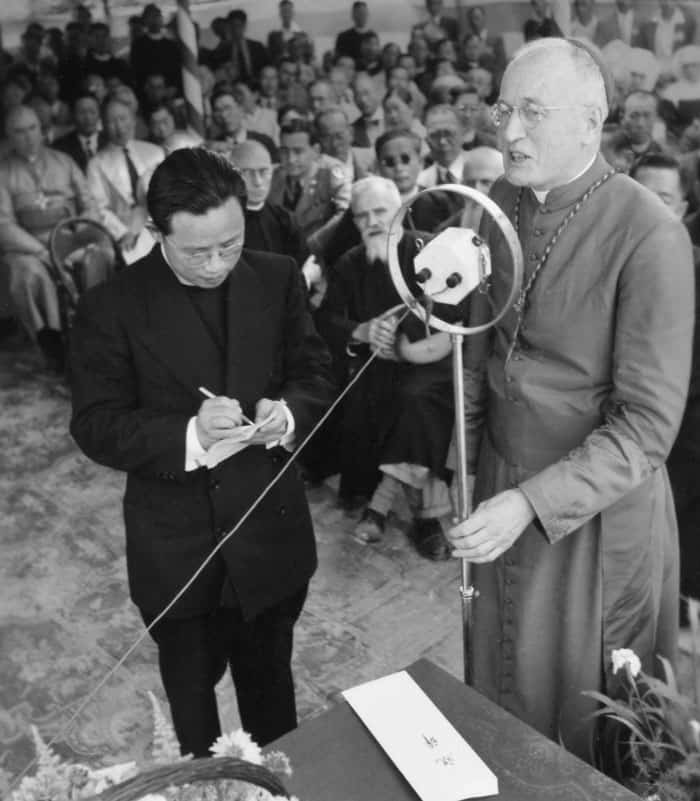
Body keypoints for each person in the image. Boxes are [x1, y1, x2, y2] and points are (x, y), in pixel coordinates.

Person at [446, 37, 694, 765]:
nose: (509, 132)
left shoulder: (650, 233)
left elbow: (647, 427)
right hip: (497, 482)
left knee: (593, 716)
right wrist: (460, 463)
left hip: (591, 514)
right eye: (503, 109)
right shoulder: (496, 202)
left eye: (532, 112)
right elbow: (477, 347)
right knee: (498, 680)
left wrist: (530, 502)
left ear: (592, 121)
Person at [69, 146, 334, 758]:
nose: (217, 263)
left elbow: (314, 369)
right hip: (178, 547)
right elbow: (95, 424)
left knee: (273, 694)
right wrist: (189, 434)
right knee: (195, 717)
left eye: (230, 244)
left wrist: (287, 413)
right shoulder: (112, 306)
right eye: (197, 252)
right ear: (158, 232)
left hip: (268, 532)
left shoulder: (275, 276)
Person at [316, 176, 457, 557]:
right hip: (375, 366)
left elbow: (453, 314)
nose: (373, 222)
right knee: (369, 397)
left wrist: (405, 340)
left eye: (380, 211)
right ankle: (398, 505)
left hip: (433, 364)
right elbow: (327, 320)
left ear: (399, 210)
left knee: (419, 400)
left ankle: (415, 515)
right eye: (362, 216)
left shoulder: (428, 248)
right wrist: (361, 331)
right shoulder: (349, 263)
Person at [630, 152, 700, 629]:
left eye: (664, 199)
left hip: (682, 442)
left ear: (682, 208)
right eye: (639, 198)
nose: (651, 211)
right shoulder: (598, 263)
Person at [0, 105, 101, 371]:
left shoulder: (64, 161)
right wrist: (41, 250)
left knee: (99, 257)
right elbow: (3, 223)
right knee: (25, 271)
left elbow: (89, 203)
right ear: (8, 136)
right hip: (27, 246)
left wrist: (79, 235)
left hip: (70, 236)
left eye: (33, 128)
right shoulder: (3, 172)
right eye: (19, 131)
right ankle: (50, 342)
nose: (28, 137)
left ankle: (99, 339)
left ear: (42, 131)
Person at [87, 96, 164, 264]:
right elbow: (99, 208)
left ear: (133, 119)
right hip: (126, 230)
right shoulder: (96, 164)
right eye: (112, 121)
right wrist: (122, 233)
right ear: (103, 126)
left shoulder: (155, 152)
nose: (119, 126)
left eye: (123, 118)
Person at [268, 118, 351, 252]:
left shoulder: (333, 172)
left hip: (321, 252)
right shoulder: (272, 175)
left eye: (298, 151)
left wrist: (314, 243)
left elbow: (345, 214)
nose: (290, 159)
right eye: (284, 151)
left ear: (316, 151)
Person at [230, 139, 307, 266]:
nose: (258, 182)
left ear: (272, 171)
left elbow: (305, 265)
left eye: (263, 171)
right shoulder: (221, 223)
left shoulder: (285, 219)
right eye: (247, 173)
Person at [209, 87, 278, 161]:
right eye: (218, 110)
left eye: (227, 108)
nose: (223, 115)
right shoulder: (212, 149)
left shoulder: (264, 142)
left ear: (241, 109)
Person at [316, 107, 375, 183]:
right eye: (327, 139)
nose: (334, 144)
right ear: (319, 139)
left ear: (351, 133)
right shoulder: (315, 169)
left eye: (339, 137)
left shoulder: (370, 160)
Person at [53, 93, 108, 174]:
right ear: (73, 115)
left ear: (99, 114)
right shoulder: (60, 147)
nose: (88, 117)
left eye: (92, 112)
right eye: (82, 112)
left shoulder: (110, 141)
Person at [352, 74, 385, 148]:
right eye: (358, 95)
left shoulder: (395, 119)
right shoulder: (352, 131)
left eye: (366, 93)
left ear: (378, 92)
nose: (363, 100)